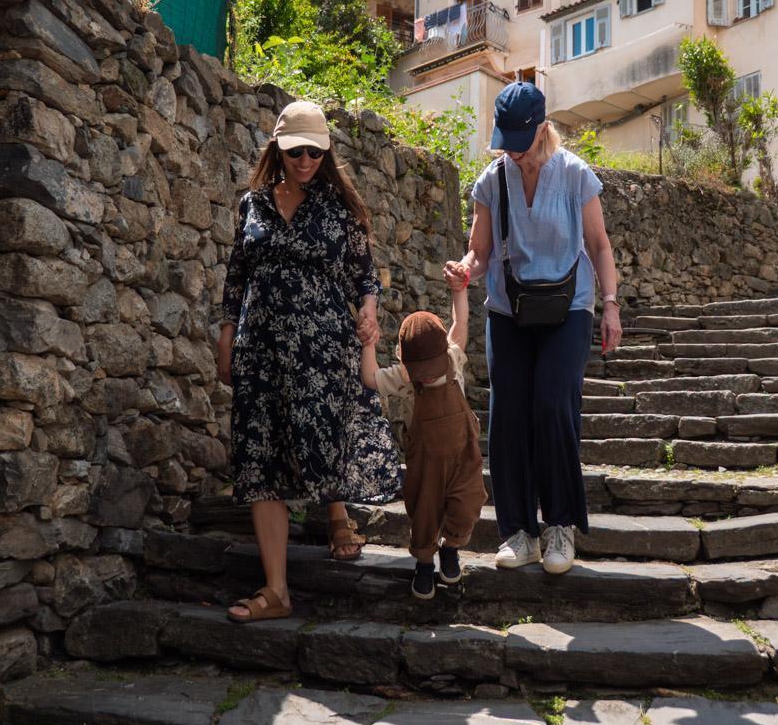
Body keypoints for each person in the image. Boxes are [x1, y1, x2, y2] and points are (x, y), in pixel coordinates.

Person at [217, 100, 400, 622]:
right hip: (261, 348)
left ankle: (337, 515)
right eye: (296, 151)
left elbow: (364, 277)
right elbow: (236, 278)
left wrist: (369, 311)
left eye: (315, 153)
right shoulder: (252, 206)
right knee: (260, 456)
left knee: (323, 437)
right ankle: (276, 591)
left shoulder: (339, 208)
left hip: (323, 350)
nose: (305, 161)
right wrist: (227, 338)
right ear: (278, 148)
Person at [444, 81, 622, 575]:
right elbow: (479, 251)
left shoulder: (575, 175)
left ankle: (560, 525)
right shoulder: (492, 181)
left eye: (521, 142)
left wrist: (610, 305)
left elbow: (600, 245)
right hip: (509, 308)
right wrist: (465, 269)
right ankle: (518, 532)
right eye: (507, 143)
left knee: (552, 404)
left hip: (569, 307)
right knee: (508, 415)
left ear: (542, 129)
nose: (514, 152)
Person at [361, 274, 486, 600]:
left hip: (463, 455)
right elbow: (371, 378)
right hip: (426, 461)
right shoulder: (404, 377)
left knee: (468, 504)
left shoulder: (453, 356)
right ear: (406, 363)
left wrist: (459, 290)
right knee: (425, 513)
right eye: (422, 371)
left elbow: (461, 321)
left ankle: (451, 547)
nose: (428, 376)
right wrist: (369, 342)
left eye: (433, 368)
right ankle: (425, 562)